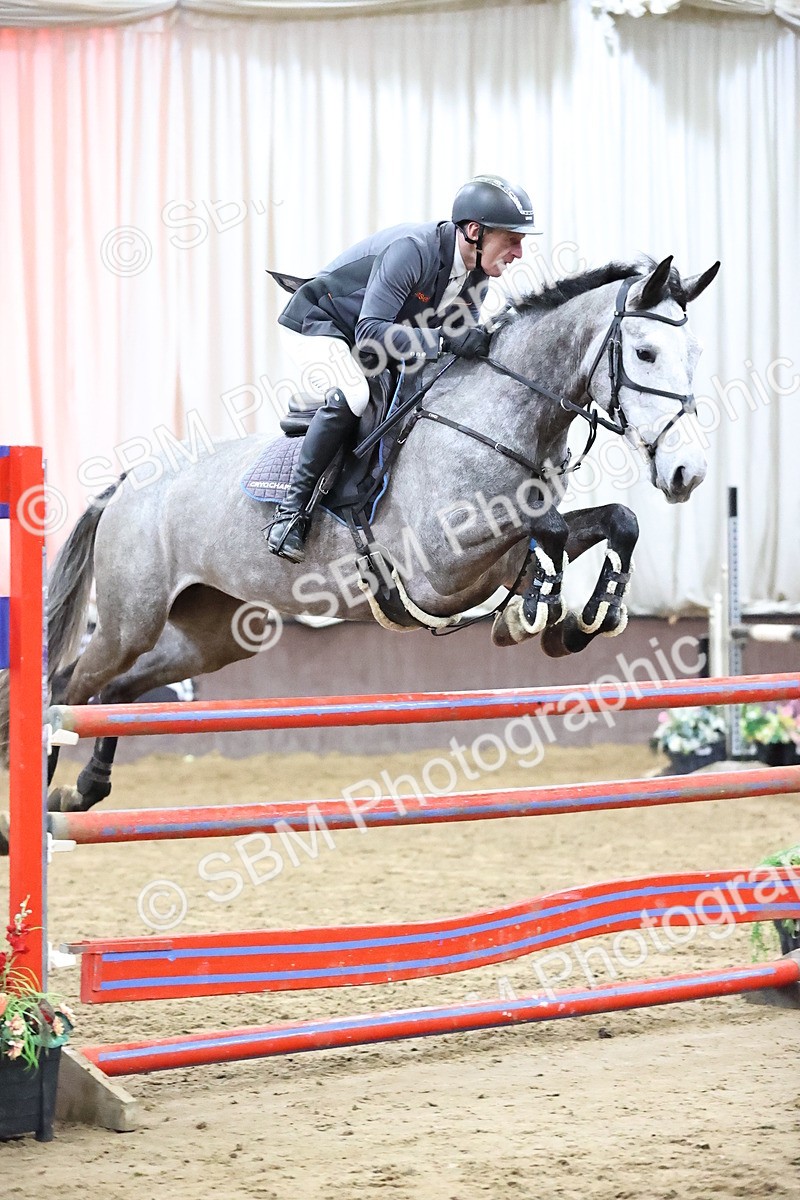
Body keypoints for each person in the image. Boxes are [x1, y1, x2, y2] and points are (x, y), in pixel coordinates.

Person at [267, 174, 541, 563]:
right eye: (512, 239)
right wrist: (445, 340)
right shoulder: (413, 250)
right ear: (476, 231)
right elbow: (371, 332)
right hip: (319, 326)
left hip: (372, 341)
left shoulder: (477, 276)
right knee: (356, 394)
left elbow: (453, 341)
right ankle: (291, 514)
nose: (518, 252)